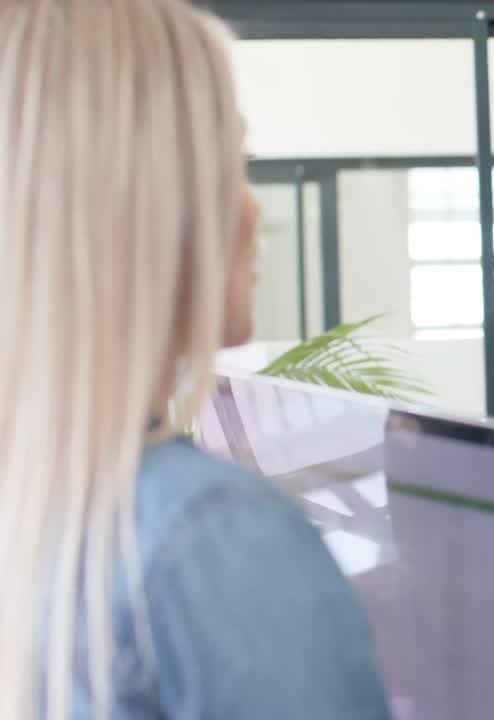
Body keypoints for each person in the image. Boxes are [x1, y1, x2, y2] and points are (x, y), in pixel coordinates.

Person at [0, 1, 391, 718]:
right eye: (229, 165)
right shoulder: (209, 530)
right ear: (149, 208)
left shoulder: (40, 503)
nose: (252, 210)